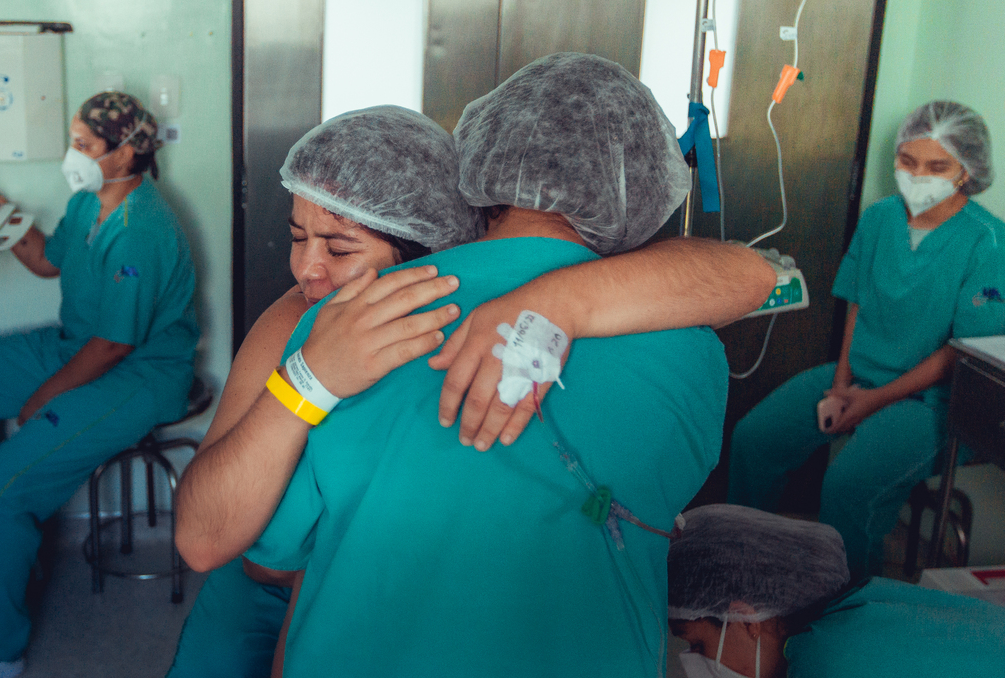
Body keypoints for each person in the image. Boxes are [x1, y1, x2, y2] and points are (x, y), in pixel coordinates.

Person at [168, 103, 772, 676]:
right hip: (264, 586)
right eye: (297, 236)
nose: (306, 270)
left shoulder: (597, 303)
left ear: (429, 245)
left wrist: (553, 301)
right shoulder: (301, 323)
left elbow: (747, 275)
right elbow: (241, 553)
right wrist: (307, 379)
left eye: (340, 247)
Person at [0, 92, 200, 678]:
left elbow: (116, 344)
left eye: (83, 145)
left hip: (138, 372)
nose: (72, 154)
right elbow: (49, 262)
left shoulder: (139, 230)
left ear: (126, 154)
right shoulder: (87, 201)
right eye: (73, 140)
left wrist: (45, 396)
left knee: (6, 482)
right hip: (80, 346)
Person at [728, 100, 1005, 581]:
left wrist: (872, 401)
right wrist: (840, 386)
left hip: (932, 400)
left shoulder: (987, 242)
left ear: (967, 171)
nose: (920, 176)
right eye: (908, 161)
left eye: (938, 166)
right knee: (755, 441)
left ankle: (847, 613)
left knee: (849, 487)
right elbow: (855, 302)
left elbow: (959, 353)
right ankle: (741, 568)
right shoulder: (879, 219)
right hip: (859, 373)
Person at [667, 504, 1005, 678]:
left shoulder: (827, 662)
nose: (692, 662)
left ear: (746, 618)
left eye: (699, 644)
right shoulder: (865, 600)